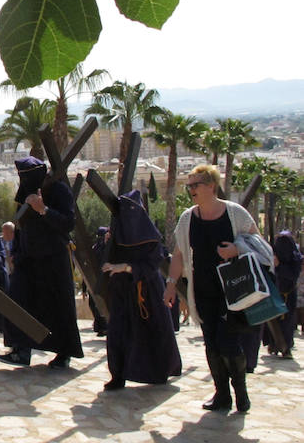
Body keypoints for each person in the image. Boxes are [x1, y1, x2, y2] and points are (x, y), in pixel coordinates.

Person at [164, 164, 260, 413]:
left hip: (234, 292)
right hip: (203, 292)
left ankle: (241, 392)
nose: (191, 190)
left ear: (211, 186)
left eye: (195, 184)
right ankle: (222, 394)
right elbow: (178, 255)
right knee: (212, 345)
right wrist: (171, 285)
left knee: (228, 342)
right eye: (189, 185)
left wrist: (237, 249)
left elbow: (258, 242)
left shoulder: (235, 213)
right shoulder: (188, 218)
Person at [0, 156, 82, 369]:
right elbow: (20, 228)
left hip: (54, 258)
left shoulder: (59, 191)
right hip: (28, 258)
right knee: (18, 300)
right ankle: (20, 350)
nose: (23, 180)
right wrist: (16, 252)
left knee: (58, 306)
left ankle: (64, 353)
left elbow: (68, 223)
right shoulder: (25, 194)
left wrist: (43, 210)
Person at [101, 190, 181, 391]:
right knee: (118, 333)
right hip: (122, 291)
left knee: (153, 332)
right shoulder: (117, 234)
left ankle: (158, 371)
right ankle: (118, 375)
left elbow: (153, 263)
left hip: (147, 291)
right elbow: (108, 261)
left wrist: (127, 267)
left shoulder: (150, 235)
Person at [262, 230, 302, 358]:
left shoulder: (295, 259)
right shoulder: (271, 255)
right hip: (274, 292)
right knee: (273, 321)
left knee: (288, 322)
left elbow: (292, 275)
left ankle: (286, 348)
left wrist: (279, 266)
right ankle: (273, 344)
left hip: (289, 294)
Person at [90, 227, 110, 336]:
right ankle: (100, 326)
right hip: (96, 279)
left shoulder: (106, 247)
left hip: (106, 278)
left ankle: (105, 326)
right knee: (94, 304)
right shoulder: (96, 248)